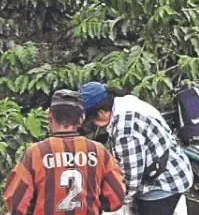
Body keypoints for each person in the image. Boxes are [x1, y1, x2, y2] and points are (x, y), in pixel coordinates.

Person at [3, 89, 127, 215]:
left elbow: (15, 202)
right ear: (81, 119)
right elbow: (115, 199)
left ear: (49, 116)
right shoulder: (99, 152)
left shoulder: (36, 153)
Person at [79, 83, 192, 215]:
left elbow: (131, 177)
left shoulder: (125, 128)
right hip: (173, 167)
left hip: (162, 184)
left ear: (101, 113)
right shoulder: (125, 102)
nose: (92, 124)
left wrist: (114, 204)